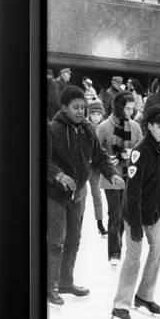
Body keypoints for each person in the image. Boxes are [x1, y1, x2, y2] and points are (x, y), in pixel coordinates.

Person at [47, 86, 123, 306]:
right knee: (56, 242)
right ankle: (50, 285)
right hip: (55, 195)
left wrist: (112, 174)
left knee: (74, 239)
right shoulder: (52, 129)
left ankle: (65, 281)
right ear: (64, 107)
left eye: (83, 107)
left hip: (78, 194)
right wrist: (59, 175)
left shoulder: (89, 129)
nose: (81, 111)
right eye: (76, 107)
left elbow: (99, 156)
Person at [110, 105, 160, 319]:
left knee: (159, 249)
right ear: (149, 126)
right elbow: (133, 190)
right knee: (133, 257)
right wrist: (136, 224)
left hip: (154, 213)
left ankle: (144, 296)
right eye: (159, 126)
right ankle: (120, 304)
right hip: (134, 214)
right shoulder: (140, 151)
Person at [96, 91, 143, 266]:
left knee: (125, 215)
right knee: (114, 214)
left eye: (133, 108)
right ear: (119, 107)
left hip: (130, 176)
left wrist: (131, 154)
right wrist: (108, 158)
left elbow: (142, 150)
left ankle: (119, 244)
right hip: (111, 177)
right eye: (128, 108)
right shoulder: (104, 127)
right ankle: (114, 252)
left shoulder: (135, 127)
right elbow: (94, 153)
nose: (131, 111)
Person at [83, 100, 108, 236]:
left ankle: (100, 223)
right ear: (89, 114)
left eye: (99, 114)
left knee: (96, 194)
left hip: (96, 167)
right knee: (80, 194)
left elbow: (105, 146)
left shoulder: (104, 127)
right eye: (93, 114)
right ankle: (78, 221)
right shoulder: (84, 126)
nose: (96, 116)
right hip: (83, 164)